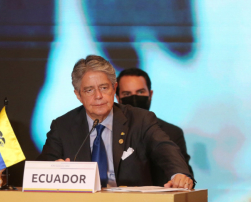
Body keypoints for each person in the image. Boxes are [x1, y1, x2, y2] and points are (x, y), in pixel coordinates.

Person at [37, 55, 195, 189]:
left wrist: (178, 174)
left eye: (104, 88)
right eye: (89, 90)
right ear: (78, 95)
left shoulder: (140, 120)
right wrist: (53, 169)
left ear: (114, 88)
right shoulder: (62, 126)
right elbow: (41, 170)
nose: (98, 96)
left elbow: (164, 148)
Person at [116, 67, 193, 186]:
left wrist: (182, 179)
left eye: (140, 92)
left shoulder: (172, 132)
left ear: (150, 94)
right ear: (118, 98)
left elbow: (185, 176)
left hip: (163, 201)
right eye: (127, 94)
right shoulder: (110, 131)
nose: (135, 98)